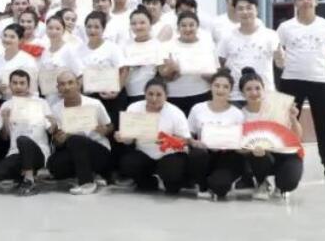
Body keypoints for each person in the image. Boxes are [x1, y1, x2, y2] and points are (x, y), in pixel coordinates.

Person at [276, 0, 325, 180]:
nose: (305, 1)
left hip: (320, 81)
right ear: (295, 2)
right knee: (285, 122)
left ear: (316, 1)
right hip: (290, 80)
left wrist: (321, 68)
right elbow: (278, 52)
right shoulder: (285, 27)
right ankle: (283, 162)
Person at [115, 78, 190, 194]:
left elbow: (185, 140)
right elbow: (129, 141)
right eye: (150, 94)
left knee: (172, 183)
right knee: (128, 164)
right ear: (144, 94)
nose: (154, 98)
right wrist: (122, 137)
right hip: (144, 152)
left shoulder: (175, 113)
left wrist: (168, 140)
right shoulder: (134, 108)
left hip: (168, 153)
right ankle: (150, 181)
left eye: (159, 95)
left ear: (166, 96)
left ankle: (172, 181)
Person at [238, 68, 304, 199]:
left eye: (257, 88)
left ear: (264, 89)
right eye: (248, 89)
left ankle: (281, 184)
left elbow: (297, 137)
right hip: (261, 156)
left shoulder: (278, 107)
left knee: (288, 183)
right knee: (258, 156)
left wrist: (293, 119)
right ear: (242, 93)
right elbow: (238, 147)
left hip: (285, 154)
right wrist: (250, 149)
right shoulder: (240, 115)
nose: (254, 93)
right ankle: (262, 182)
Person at [47, 70, 113, 195]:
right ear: (58, 88)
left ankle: (87, 182)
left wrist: (105, 130)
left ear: (78, 84)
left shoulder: (94, 104)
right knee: (54, 164)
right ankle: (90, 174)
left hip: (98, 151)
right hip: (73, 151)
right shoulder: (55, 109)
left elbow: (110, 126)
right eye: (62, 84)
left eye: (70, 83)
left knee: (75, 139)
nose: (67, 87)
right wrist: (59, 140)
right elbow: (57, 141)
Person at [0, 70, 54, 195]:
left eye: (22, 83)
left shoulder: (40, 103)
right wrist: (5, 119)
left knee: (23, 139)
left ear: (28, 85)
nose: (18, 86)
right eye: (14, 83)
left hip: (38, 152)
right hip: (16, 151)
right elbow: (4, 137)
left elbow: (50, 129)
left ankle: (29, 179)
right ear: (10, 85)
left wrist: (54, 123)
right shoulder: (6, 105)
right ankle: (24, 174)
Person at [185, 70, 246, 200]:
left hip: (226, 156)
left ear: (230, 90)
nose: (220, 90)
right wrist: (193, 142)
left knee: (220, 187)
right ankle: (202, 185)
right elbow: (188, 134)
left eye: (225, 87)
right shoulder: (198, 108)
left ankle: (220, 182)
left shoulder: (237, 114)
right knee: (197, 154)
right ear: (211, 87)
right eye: (217, 85)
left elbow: (241, 140)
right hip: (204, 154)